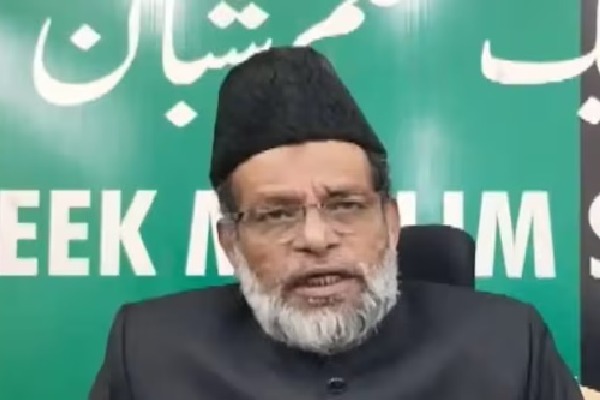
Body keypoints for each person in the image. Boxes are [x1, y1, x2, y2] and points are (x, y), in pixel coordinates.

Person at [88, 46, 584, 400]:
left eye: (345, 205)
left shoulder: (509, 345)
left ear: (391, 222)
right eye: (277, 214)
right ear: (231, 242)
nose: (316, 238)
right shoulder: (149, 354)